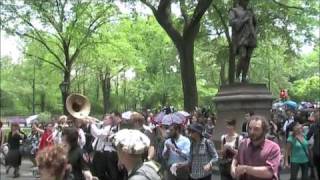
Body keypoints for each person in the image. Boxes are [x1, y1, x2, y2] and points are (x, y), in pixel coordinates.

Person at [231, 115, 281, 180]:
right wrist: (233, 167)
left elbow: (269, 172)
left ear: (264, 130)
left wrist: (246, 168)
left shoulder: (273, 147)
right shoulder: (243, 144)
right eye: (250, 128)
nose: (252, 132)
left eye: (256, 129)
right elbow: (236, 158)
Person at [88, 114, 122, 180]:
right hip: (100, 153)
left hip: (108, 154)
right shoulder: (104, 127)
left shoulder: (109, 128)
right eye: (104, 119)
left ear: (111, 120)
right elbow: (94, 133)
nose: (104, 120)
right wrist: (92, 122)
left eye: (106, 119)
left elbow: (98, 134)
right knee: (97, 172)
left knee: (110, 173)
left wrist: (92, 123)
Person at [306, 109, 320, 179]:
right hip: (316, 152)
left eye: (317, 116)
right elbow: (307, 137)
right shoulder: (313, 126)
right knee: (317, 168)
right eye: (316, 116)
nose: (316, 117)